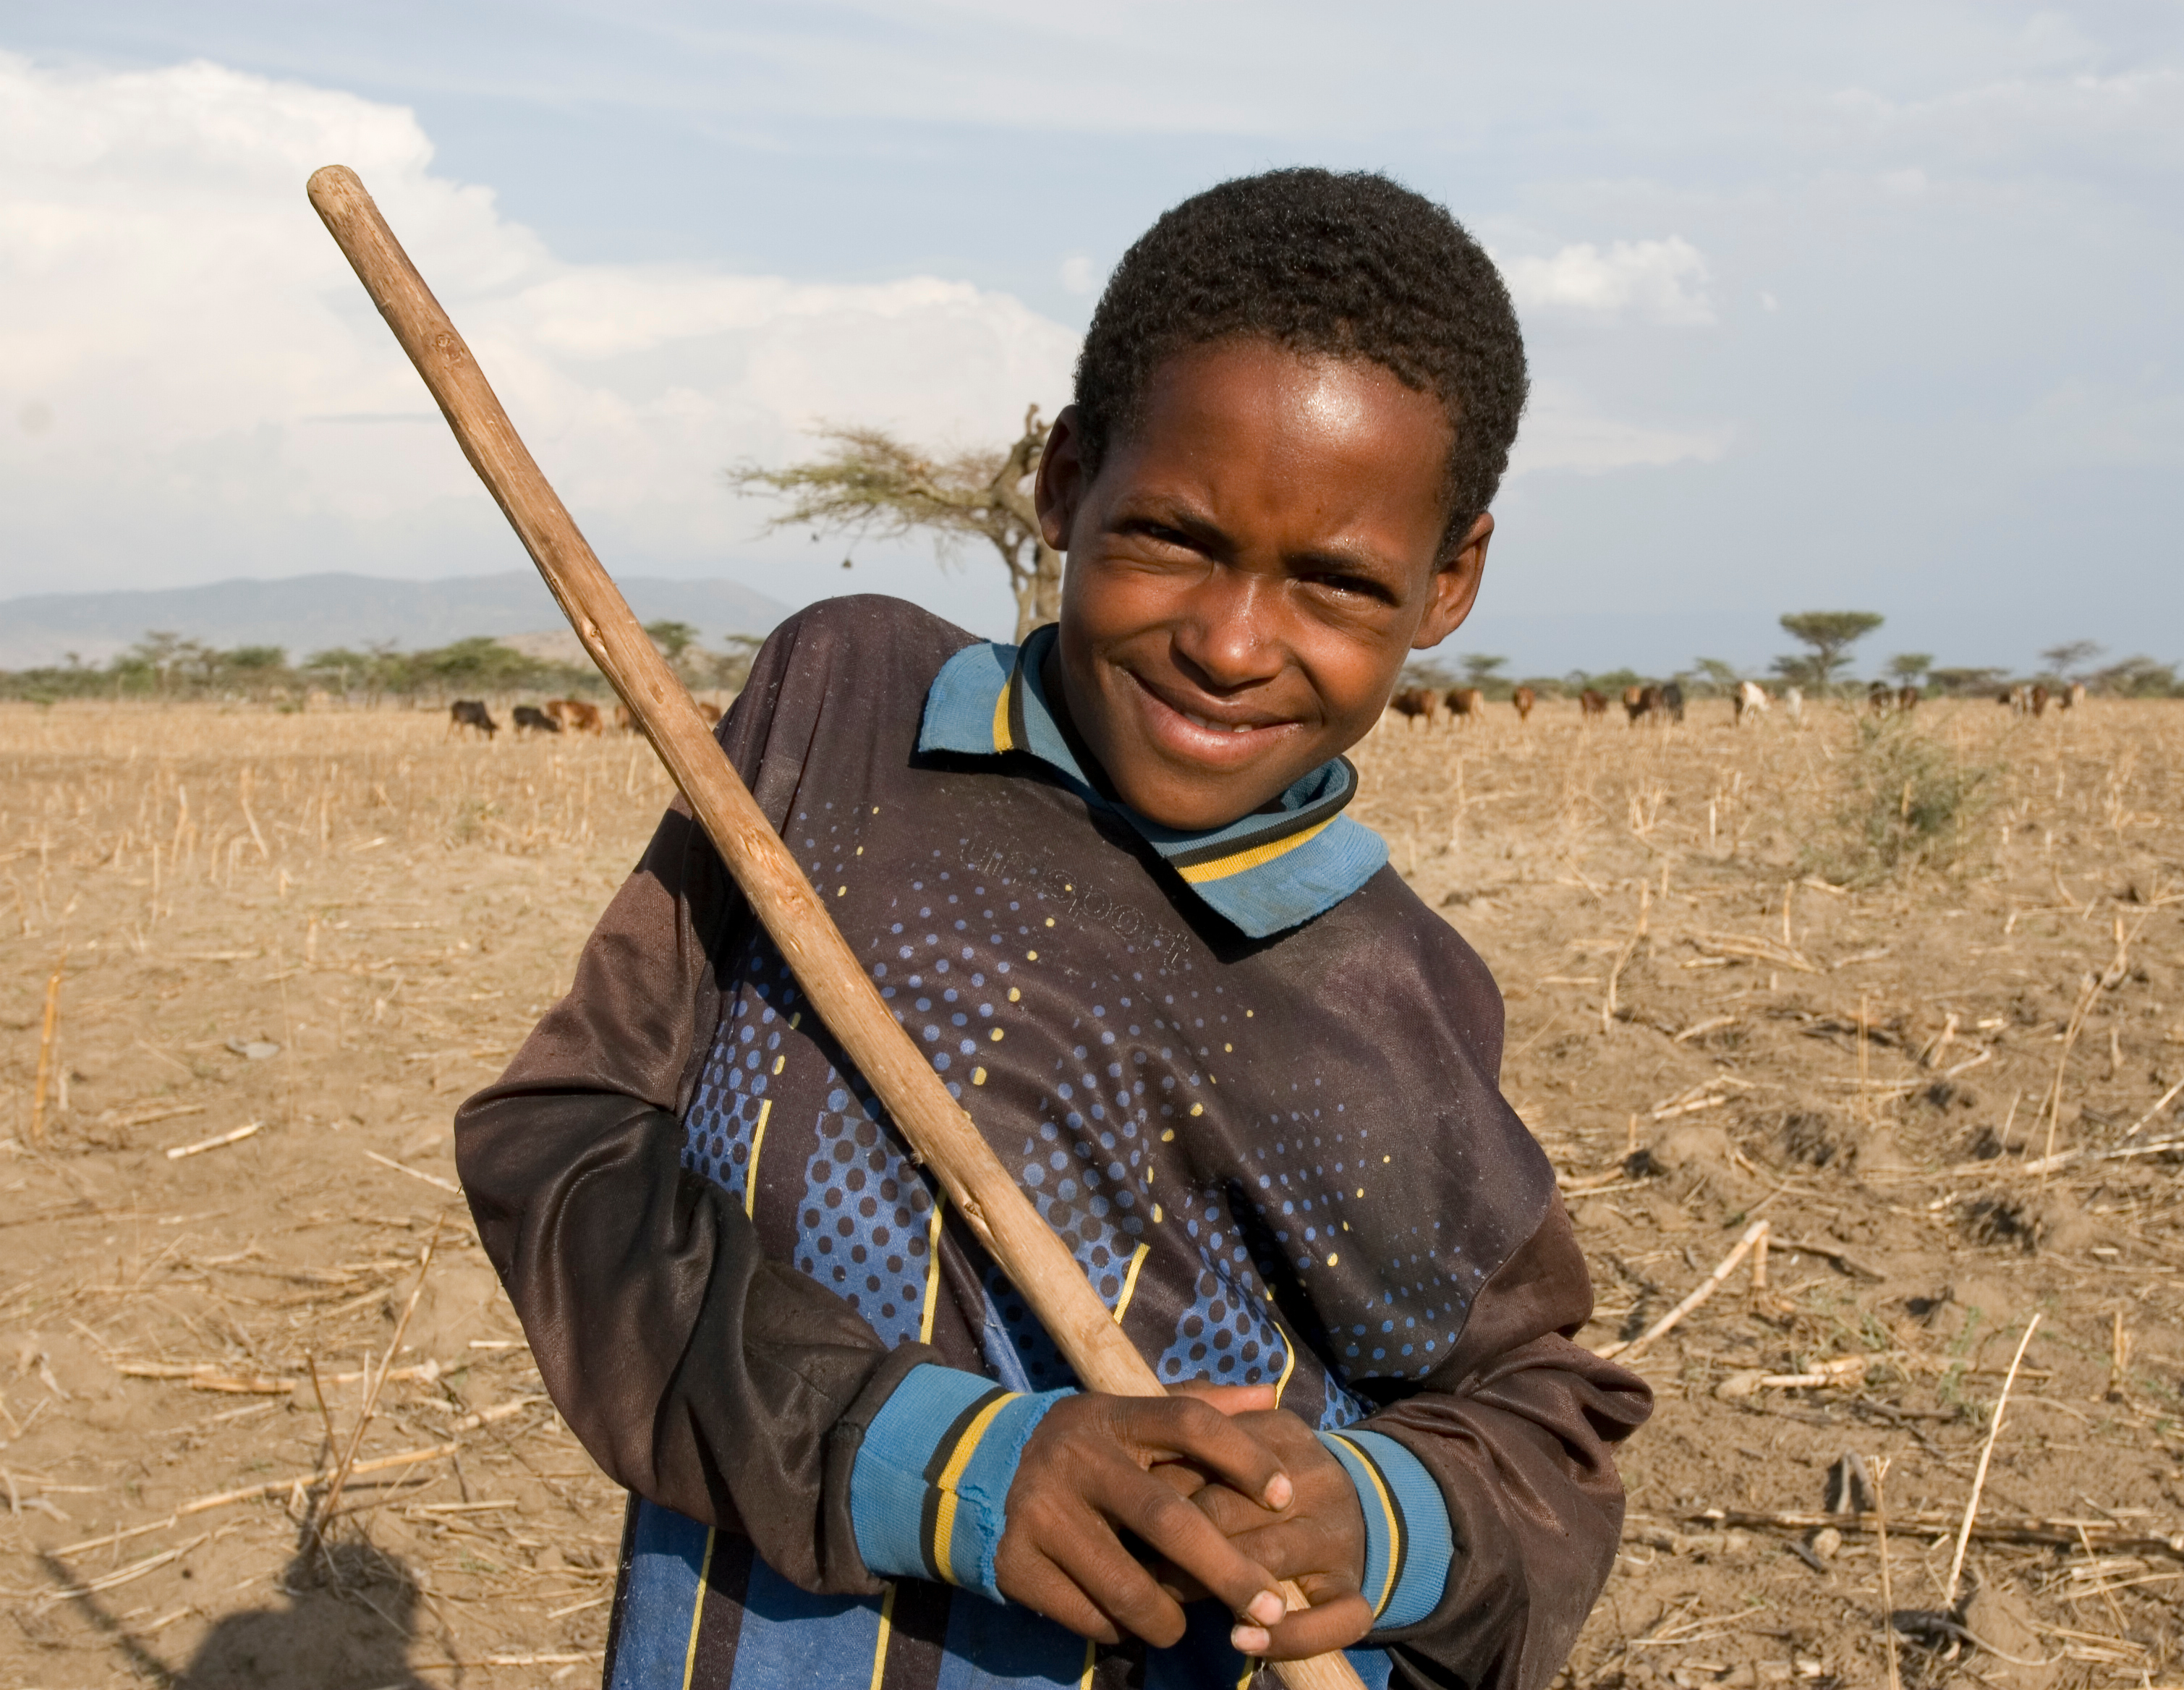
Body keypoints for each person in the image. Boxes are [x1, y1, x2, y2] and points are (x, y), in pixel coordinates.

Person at [455, 167, 1649, 1690]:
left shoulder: (1381, 994)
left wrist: (1374, 1514)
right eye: (1172, 536)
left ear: (1449, 580)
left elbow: (1539, 1425)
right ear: (1066, 478)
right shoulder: (844, 721)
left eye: (1337, 583)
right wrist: (949, 1465)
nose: (1228, 644)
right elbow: (562, 1137)